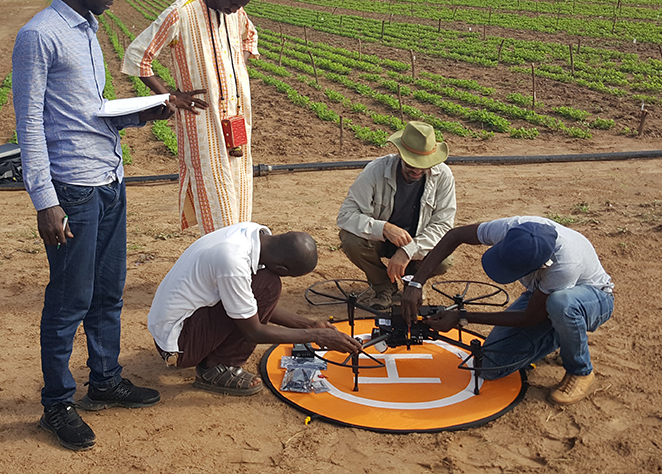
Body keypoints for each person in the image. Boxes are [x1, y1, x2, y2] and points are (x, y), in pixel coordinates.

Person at [12, 0, 173, 451]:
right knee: (68, 301)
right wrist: (46, 201)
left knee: (108, 293)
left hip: (109, 181)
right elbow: (30, 124)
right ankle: (57, 403)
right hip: (72, 191)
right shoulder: (39, 36)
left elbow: (89, 109)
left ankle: (104, 379)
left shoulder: (88, 29)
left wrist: (142, 112)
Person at [401, 216, 615, 405]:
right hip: (543, 295)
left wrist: (461, 317)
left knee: (562, 305)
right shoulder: (515, 228)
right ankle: (561, 334)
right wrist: (416, 284)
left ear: (542, 266)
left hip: (592, 298)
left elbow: (529, 317)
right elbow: (455, 235)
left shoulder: (565, 265)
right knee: (491, 365)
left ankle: (580, 369)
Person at [148, 222, 363, 395]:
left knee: (264, 285)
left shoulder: (252, 233)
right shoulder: (233, 263)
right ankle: (216, 368)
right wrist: (317, 336)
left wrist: (311, 324)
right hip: (179, 344)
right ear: (281, 268)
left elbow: (250, 304)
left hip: (179, 323)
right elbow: (254, 331)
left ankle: (213, 355)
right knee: (268, 285)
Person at [122, 0, 259, 235]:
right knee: (214, 194)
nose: (234, 11)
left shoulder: (235, 11)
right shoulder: (181, 13)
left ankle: (238, 254)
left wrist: (238, 68)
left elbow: (250, 36)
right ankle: (222, 261)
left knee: (240, 189)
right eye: (232, 3)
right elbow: (138, 57)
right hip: (203, 123)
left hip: (237, 119)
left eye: (239, 6)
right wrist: (170, 95)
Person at [337, 121, 456, 309]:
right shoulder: (375, 171)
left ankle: (413, 282)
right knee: (351, 239)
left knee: (443, 258)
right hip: (381, 240)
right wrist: (384, 228)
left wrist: (408, 250)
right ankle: (384, 287)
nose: (417, 170)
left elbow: (443, 225)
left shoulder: (443, 176)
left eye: (423, 164)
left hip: (417, 240)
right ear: (400, 153)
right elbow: (345, 215)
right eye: (412, 163)